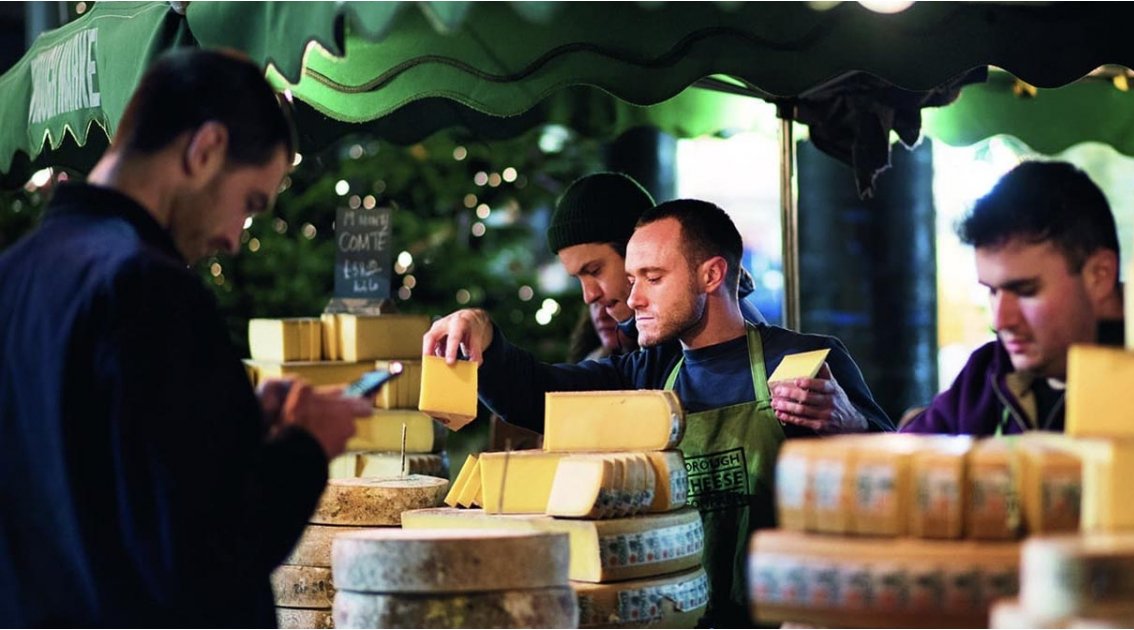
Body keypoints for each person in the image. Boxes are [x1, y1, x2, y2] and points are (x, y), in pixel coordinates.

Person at [0, 49, 372, 627]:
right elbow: (200, 558)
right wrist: (305, 448)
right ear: (206, 150)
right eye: (249, 205)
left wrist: (239, 431)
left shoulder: (12, 276)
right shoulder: (146, 287)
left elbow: (99, 470)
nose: (233, 238)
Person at [425, 199, 893, 626]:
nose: (632, 301)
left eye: (652, 278)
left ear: (711, 275)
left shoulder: (807, 361)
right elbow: (537, 396)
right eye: (631, 281)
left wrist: (851, 425)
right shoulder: (645, 374)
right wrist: (482, 333)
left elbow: (894, 489)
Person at [902, 161, 1123, 435]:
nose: (1001, 321)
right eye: (993, 291)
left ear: (1100, 275)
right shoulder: (983, 376)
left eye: (1025, 291)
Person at [548, 171, 767, 349]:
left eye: (595, 270)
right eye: (578, 278)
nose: (589, 295)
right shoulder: (635, 343)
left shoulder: (703, 336)